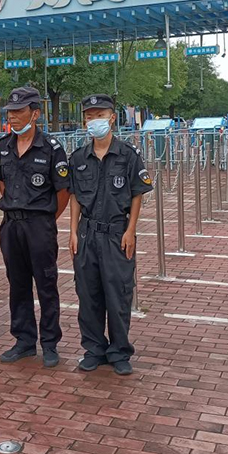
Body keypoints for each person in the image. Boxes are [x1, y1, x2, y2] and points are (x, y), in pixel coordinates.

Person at [68, 94, 152, 376]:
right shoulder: (78, 158)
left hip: (117, 234)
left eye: (100, 115)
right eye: (90, 116)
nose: (95, 121)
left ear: (112, 118)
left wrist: (131, 231)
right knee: (88, 295)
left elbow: (137, 194)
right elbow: (75, 197)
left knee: (118, 296)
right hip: (87, 234)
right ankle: (94, 350)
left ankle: (119, 351)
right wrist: (72, 231)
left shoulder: (128, 155)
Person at [0, 86, 70, 367]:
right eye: (10, 112)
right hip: (11, 226)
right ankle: (24, 341)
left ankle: (49, 343)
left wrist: (47, 220)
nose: (12, 117)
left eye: (19, 111)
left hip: (39, 226)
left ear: (35, 114)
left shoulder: (51, 148)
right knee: (18, 285)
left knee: (46, 285)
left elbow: (63, 192)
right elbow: (2, 183)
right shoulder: (3, 146)